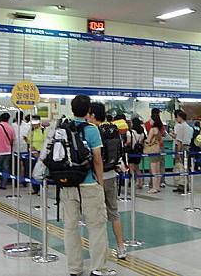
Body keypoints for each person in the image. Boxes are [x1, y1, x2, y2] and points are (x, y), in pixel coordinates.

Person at [62, 95, 115, 276]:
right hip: (89, 184)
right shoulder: (91, 129)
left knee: (70, 227)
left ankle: (74, 269)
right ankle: (98, 268)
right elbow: (98, 160)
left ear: (72, 109)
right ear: (88, 111)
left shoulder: (63, 127)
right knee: (97, 226)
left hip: (68, 185)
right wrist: (100, 182)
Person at [89, 102, 126, 260]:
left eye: (89, 114)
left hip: (97, 178)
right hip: (111, 175)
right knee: (114, 212)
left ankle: (101, 250)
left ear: (93, 116)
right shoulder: (114, 129)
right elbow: (120, 152)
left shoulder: (93, 131)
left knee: (97, 216)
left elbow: (94, 158)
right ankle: (121, 247)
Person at [172, 111, 193, 193]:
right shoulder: (188, 127)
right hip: (187, 147)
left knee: (180, 167)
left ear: (180, 117)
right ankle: (185, 184)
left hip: (182, 148)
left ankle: (182, 185)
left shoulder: (181, 127)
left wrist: (178, 153)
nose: (176, 119)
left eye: (176, 117)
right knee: (185, 167)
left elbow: (179, 141)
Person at [145, 108, 166, 187]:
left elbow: (148, 138)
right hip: (160, 146)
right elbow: (164, 134)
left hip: (152, 148)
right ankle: (161, 182)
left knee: (152, 166)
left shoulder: (147, 124)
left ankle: (152, 183)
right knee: (161, 165)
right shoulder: (160, 124)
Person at [26, 115, 46, 194]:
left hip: (41, 154)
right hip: (32, 154)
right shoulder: (31, 131)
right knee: (32, 172)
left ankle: (42, 189)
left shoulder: (43, 130)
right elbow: (28, 141)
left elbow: (46, 142)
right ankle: (35, 189)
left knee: (41, 172)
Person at [126, 117, 146, 189]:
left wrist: (125, 145)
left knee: (131, 168)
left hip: (131, 152)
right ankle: (140, 182)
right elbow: (142, 143)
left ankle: (133, 182)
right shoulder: (142, 133)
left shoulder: (129, 132)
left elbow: (128, 142)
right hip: (138, 152)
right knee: (137, 168)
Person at [12, 111, 30, 187]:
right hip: (21, 147)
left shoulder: (13, 125)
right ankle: (23, 181)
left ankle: (18, 181)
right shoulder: (26, 125)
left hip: (19, 147)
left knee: (18, 166)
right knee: (24, 166)